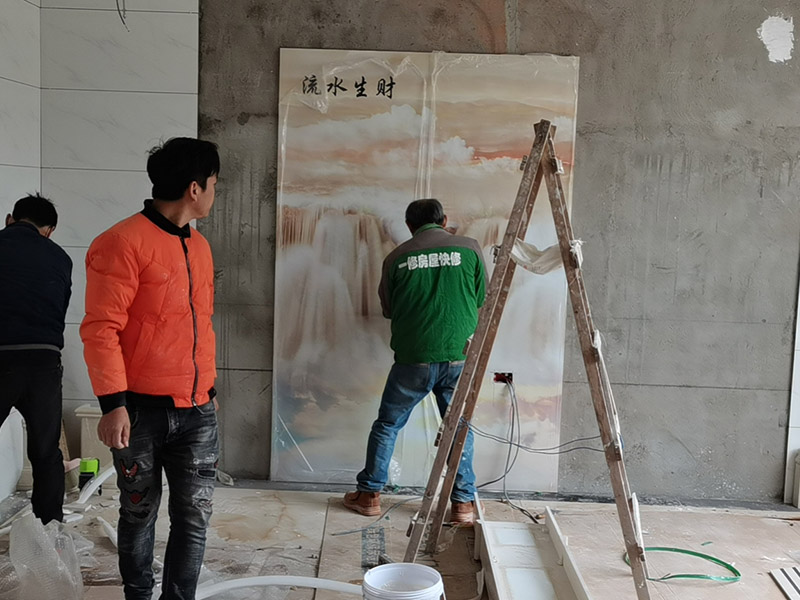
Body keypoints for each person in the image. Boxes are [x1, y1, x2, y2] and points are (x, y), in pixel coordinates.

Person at [81, 137, 220, 600]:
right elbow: (101, 329)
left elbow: (199, 325)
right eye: (214, 183)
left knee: (194, 516)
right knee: (139, 512)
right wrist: (112, 404)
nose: (215, 193)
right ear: (195, 188)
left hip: (197, 411)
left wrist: (209, 390)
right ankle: (138, 595)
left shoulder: (200, 247)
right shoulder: (121, 243)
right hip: (138, 412)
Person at [344, 198, 486, 524]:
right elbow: (480, 297)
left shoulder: (396, 257)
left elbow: (389, 309)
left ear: (409, 226)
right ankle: (463, 504)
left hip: (413, 360)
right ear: (444, 220)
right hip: (459, 355)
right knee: (459, 427)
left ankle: (369, 496)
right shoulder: (469, 248)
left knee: (387, 425)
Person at [0, 194, 71, 524]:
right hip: (44, 361)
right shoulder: (60, 258)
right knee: (46, 452)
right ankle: (50, 531)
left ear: (9, 219)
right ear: (49, 230)